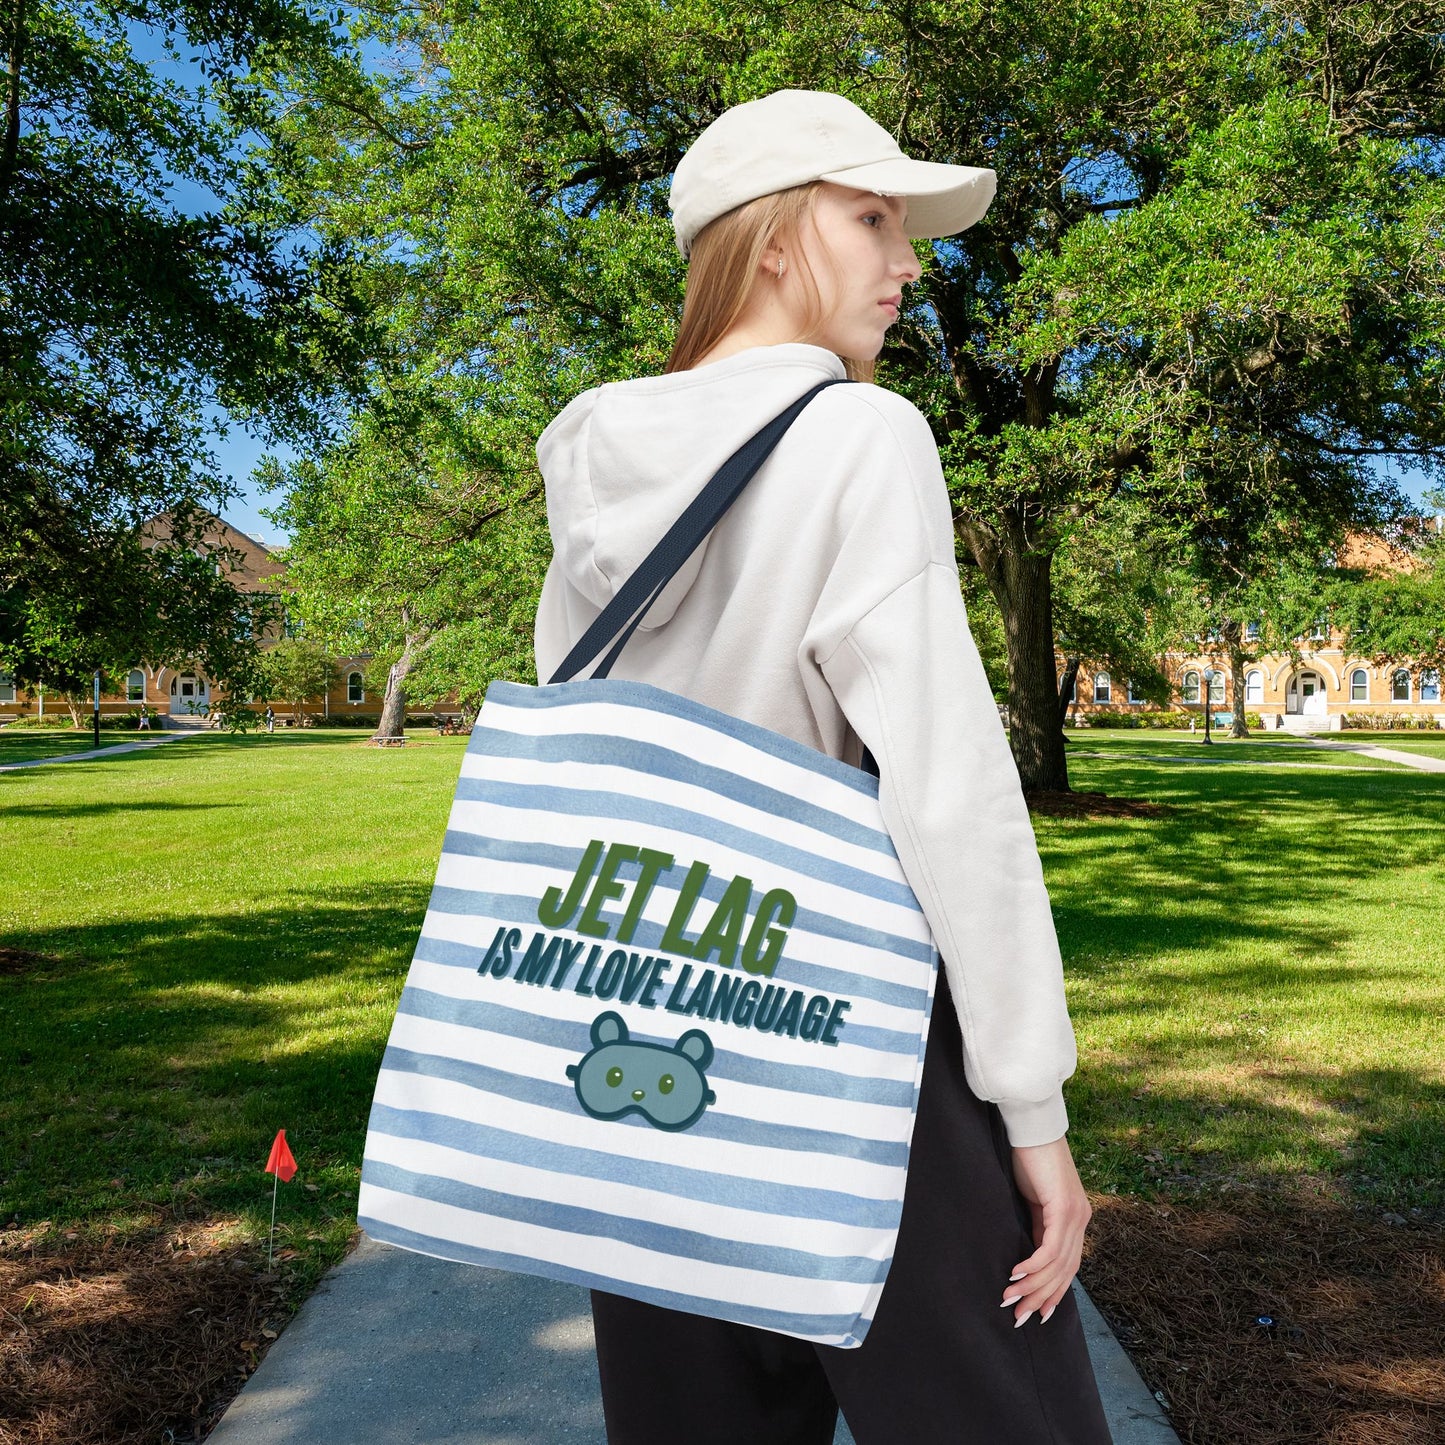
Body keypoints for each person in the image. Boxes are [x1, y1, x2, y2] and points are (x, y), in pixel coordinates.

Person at [533, 89, 1111, 1444]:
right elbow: (948, 786)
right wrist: (1030, 1107)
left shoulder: (592, 463)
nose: (909, 262)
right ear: (773, 240)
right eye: (871, 218)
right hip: (854, 1026)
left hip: (654, 1015)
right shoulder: (860, 433)